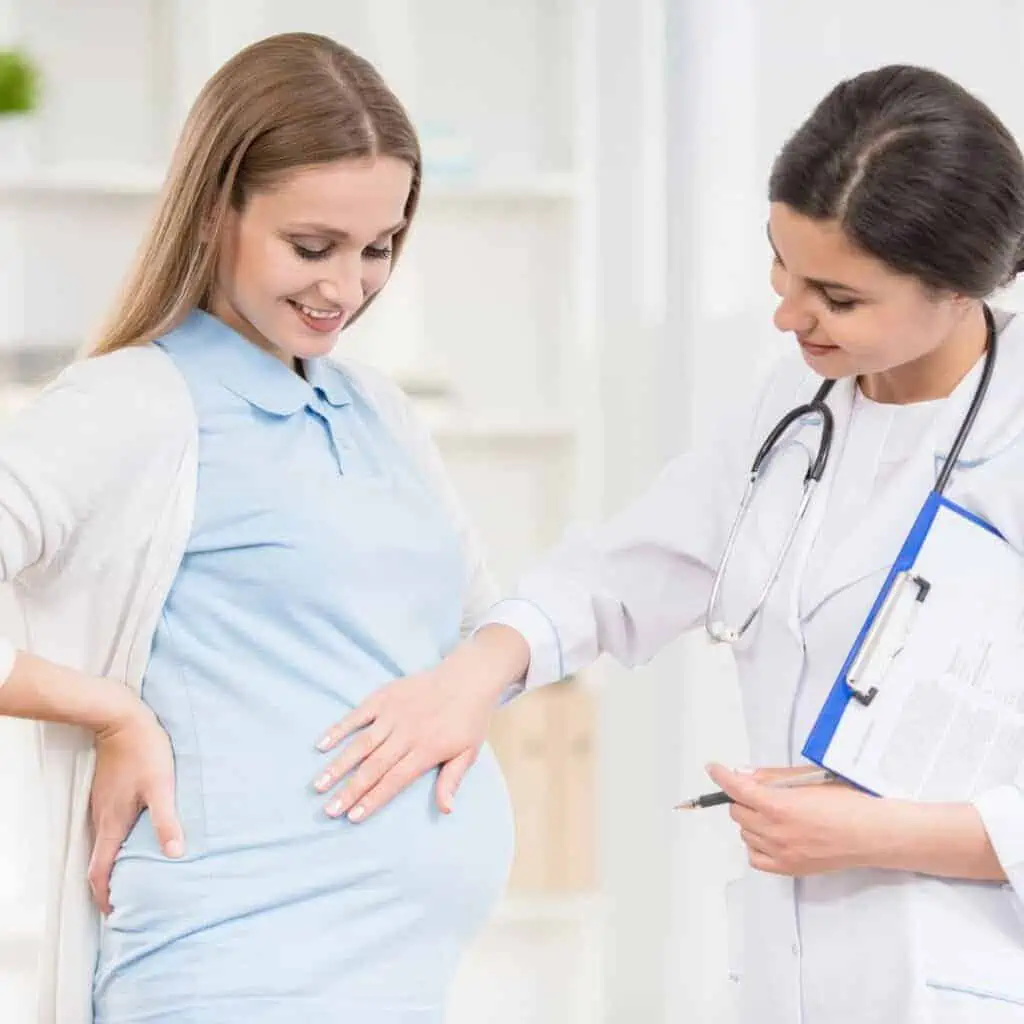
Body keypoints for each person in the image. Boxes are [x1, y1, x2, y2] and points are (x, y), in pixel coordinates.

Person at [318, 65, 1024, 1023]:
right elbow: (627, 570)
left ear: (961, 288)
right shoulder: (797, 405)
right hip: (792, 969)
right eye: (781, 264)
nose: (788, 314)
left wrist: (884, 833)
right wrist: (474, 674)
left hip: (969, 973)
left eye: (837, 297)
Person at [0, 31, 513, 1024]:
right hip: (231, 974)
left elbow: (488, 624)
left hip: (403, 980)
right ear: (213, 210)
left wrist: (467, 685)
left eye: (380, 248)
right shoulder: (135, 404)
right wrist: (109, 708)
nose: (347, 286)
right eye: (311, 246)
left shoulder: (378, 410)